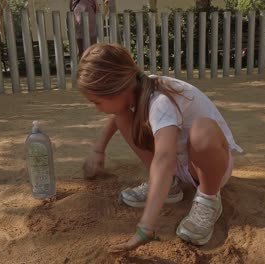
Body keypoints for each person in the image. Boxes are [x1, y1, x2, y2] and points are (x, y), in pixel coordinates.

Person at [77, 43, 243, 253]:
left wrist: (145, 228)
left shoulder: (160, 101)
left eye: (96, 102)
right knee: (122, 117)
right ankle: (169, 186)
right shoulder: (139, 87)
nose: (97, 108)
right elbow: (116, 116)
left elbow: (164, 159)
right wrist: (98, 149)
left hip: (211, 168)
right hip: (183, 164)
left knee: (202, 129)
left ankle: (208, 200)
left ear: (116, 90)